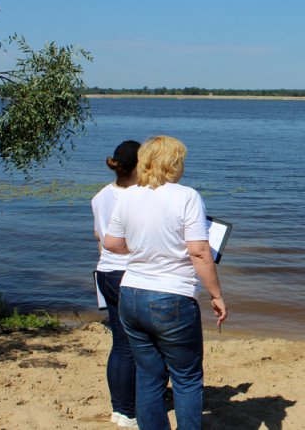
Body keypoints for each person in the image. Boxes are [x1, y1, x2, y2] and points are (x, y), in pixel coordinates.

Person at [104, 136, 227, 430]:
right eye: (181, 161)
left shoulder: (128, 196)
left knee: (148, 376)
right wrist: (216, 294)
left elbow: (111, 243)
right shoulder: (186, 196)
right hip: (171, 296)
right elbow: (199, 251)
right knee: (186, 378)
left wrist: (142, 250)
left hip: (131, 293)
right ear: (172, 164)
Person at [92, 140, 141, 429]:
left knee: (120, 344)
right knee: (136, 346)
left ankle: (120, 409)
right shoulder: (138, 196)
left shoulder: (100, 196)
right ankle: (130, 411)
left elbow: (98, 236)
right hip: (129, 273)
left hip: (106, 272)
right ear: (139, 166)